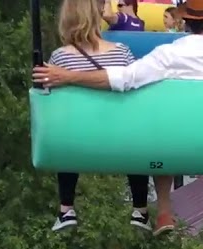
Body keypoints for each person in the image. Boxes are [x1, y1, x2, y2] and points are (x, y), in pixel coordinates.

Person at [33, 0, 203, 236]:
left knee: (162, 135)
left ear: (185, 21)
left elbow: (127, 78)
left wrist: (68, 76)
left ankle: (163, 211)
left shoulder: (167, 54)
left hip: (174, 144)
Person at [45, 0, 151, 232]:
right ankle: (140, 209)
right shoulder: (122, 52)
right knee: (136, 133)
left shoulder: (59, 60)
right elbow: (137, 89)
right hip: (120, 141)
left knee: (67, 129)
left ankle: (66, 208)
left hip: (79, 143)